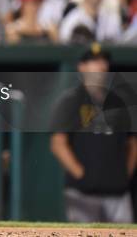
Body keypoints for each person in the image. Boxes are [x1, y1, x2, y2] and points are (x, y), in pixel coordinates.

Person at [50, 44, 137, 223]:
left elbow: (133, 144)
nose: (101, 66)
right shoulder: (71, 100)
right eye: (94, 61)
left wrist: (122, 174)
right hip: (83, 194)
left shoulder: (119, 101)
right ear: (82, 67)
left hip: (118, 194)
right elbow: (58, 143)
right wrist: (82, 174)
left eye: (103, 61)